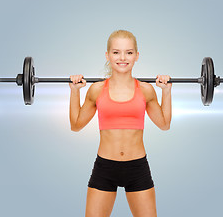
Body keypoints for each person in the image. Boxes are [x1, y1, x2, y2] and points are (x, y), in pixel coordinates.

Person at [69, 30, 172, 217]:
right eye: (116, 52)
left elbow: (164, 124)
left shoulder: (147, 90)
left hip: (137, 168)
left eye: (129, 52)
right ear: (107, 55)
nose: (122, 58)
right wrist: (75, 91)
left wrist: (166, 91)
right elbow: (76, 125)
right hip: (105, 167)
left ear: (137, 56)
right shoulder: (97, 90)